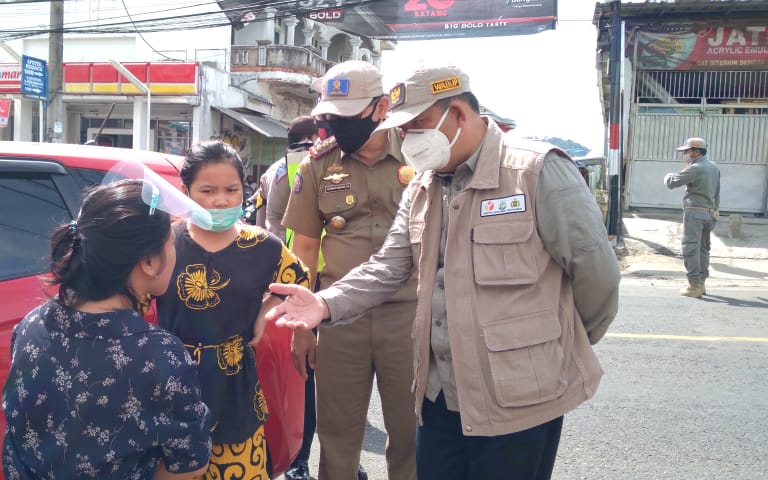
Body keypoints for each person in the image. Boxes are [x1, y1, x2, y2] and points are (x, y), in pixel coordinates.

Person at [266, 63, 621, 480]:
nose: (411, 137)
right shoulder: (424, 185)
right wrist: (323, 303)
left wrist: (545, 347)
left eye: (419, 124)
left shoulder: (534, 171)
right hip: (438, 391)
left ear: (458, 114)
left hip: (517, 396)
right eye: (406, 127)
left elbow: (596, 275)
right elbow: (388, 266)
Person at [2, 179, 212, 480]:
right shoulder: (161, 356)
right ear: (150, 262)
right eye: (172, 242)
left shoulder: (31, 325)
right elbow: (189, 465)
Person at [281, 60, 418, 480]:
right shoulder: (317, 166)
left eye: (347, 115)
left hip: (409, 315)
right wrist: (303, 326)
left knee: (411, 434)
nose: (337, 125)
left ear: (381, 107)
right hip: (338, 316)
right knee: (337, 436)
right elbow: (302, 248)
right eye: (330, 116)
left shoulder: (419, 152)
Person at [154, 141, 310, 480]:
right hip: (172, 383)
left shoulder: (262, 245)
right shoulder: (164, 241)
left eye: (231, 189)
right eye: (207, 190)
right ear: (185, 191)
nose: (220, 200)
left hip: (234, 386)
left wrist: (265, 308)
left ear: (245, 190)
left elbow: (299, 280)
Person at [253, 116, 318, 480]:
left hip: (285, 285)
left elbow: (264, 222)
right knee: (310, 372)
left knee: (300, 372)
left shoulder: (278, 170)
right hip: (316, 282)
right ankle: (302, 459)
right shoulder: (311, 166)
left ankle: (299, 459)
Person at [664, 137, 721, 298]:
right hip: (709, 213)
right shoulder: (713, 167)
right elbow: (717, 191)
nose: (684, 154)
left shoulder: (696, 168)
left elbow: (672, 182)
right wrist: (715, 210)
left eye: (686, 151)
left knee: (690, 247)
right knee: (703, 249)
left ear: (696, 152)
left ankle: (694, 285)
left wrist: (669, 175)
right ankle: (701, 283)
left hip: (695, 212)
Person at [256, 116, 318, 240]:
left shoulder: (274, 168)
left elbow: (263, 219)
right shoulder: (305, 163)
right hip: (294, 250)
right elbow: (275, 222)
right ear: (306, 139)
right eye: (318, 135)